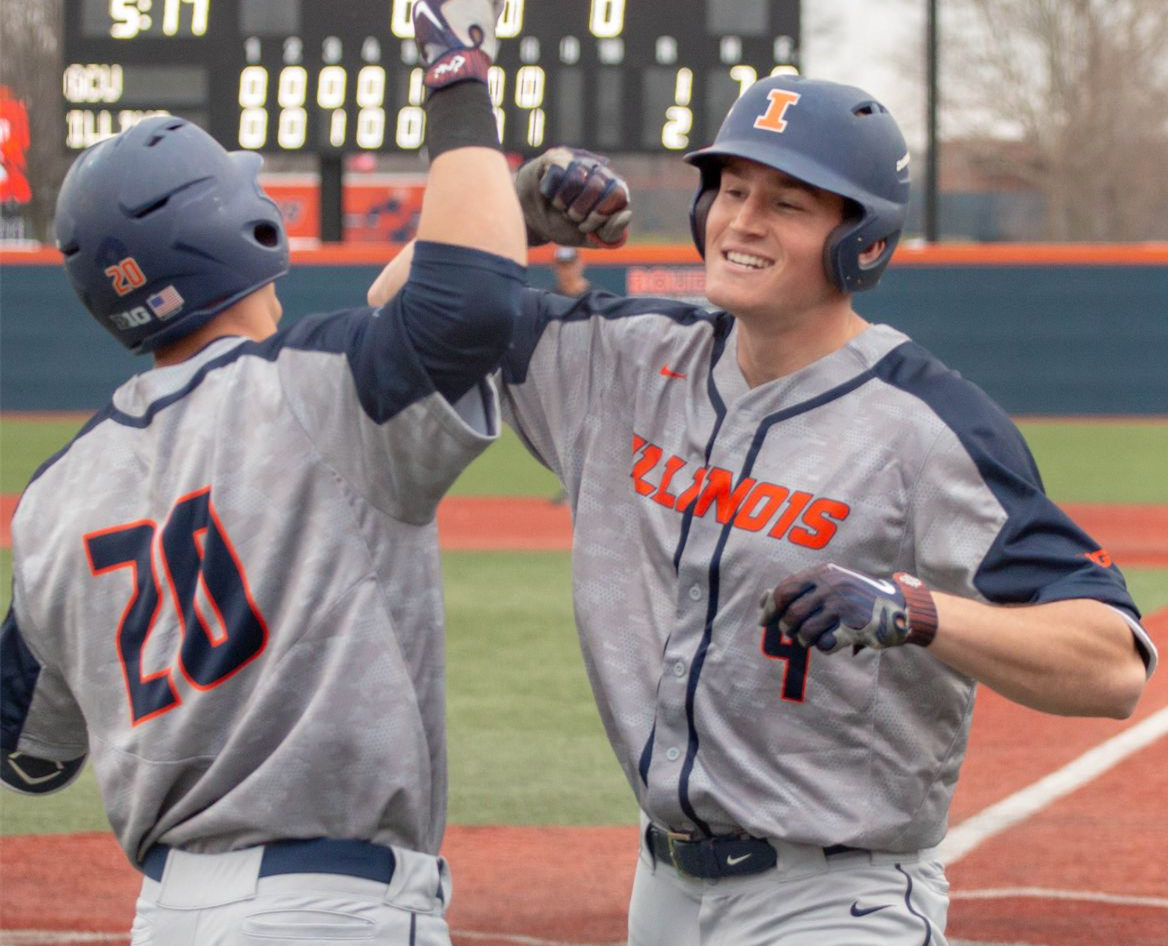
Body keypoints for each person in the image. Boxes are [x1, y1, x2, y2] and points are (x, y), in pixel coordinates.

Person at [376, 73, 1157, 943]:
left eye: (787, 203)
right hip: (662, 888)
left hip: (835, 896)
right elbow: (407, 322)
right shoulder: (622, 358)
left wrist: (917, 613)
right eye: (732, 190)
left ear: (860, 241)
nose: (743, 221)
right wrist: (517, 210)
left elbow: (1112, 663)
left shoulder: (927, 426)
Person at [0, 2, 524, 943]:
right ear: (234, 226)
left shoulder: (54, 496)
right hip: (329, 910)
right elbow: (472, 299)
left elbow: (28, 754)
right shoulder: (314, 385)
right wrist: (458, 75)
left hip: (168, 912)